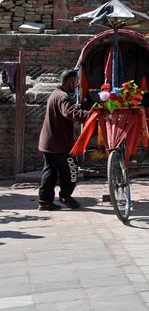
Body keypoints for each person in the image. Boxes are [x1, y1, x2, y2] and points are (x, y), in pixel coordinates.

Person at [38, 69, 89, 211]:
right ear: (70, 81)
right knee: (71, 171)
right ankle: (65, 196)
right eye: (76, 82)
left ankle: (44, 201)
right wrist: (90, 114)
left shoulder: (55, 94)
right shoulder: (63, 97)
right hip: (58, 145)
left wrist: (79, 108)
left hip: (48, 143)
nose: (77, 85)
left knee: (49, 172)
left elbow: (67, 110)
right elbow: (70, 113)